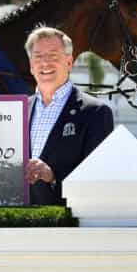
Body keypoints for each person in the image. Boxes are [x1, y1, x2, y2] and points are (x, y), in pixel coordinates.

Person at [24, 26, 114, 207]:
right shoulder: (18, 110)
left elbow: (98, 179)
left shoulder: (96, 113)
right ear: (31, 66)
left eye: (53, 56)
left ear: (69, 62)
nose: (45, 63)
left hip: (68, 226)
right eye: (39, 57)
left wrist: (52, 176)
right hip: (20, 225)